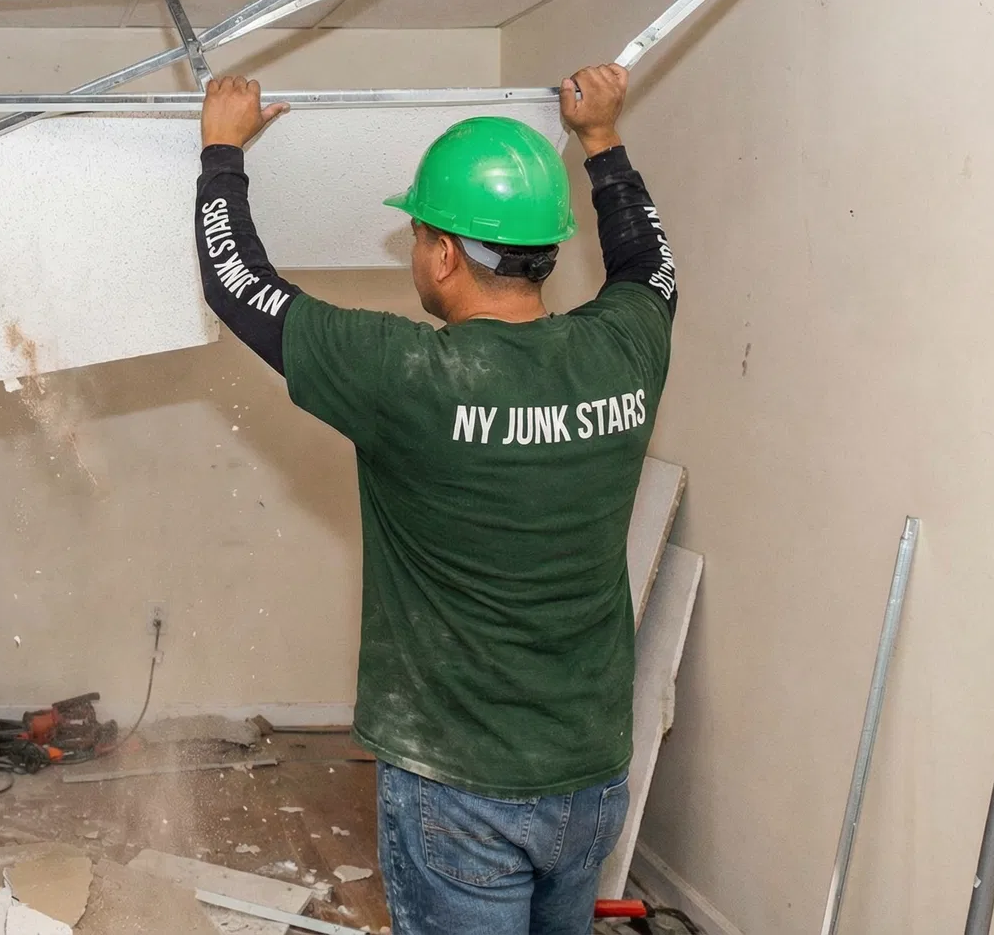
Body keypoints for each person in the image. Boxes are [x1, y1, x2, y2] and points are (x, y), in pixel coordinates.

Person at [194, 64, 677, 935]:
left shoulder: (408, 378)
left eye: (418, 235)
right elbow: (650, 265)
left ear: (445, 253)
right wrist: (602, 141)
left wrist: (221, 151)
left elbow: (239, 287)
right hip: (591, 777)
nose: (417, 252)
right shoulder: (628, 349)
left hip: (459, 790)